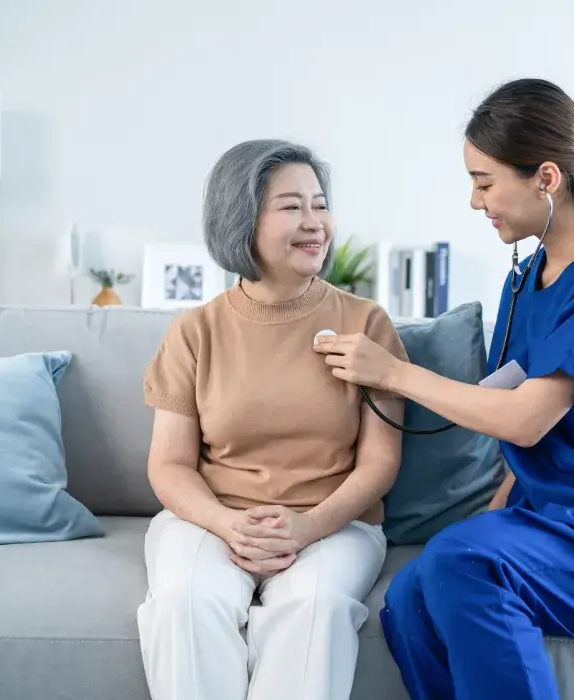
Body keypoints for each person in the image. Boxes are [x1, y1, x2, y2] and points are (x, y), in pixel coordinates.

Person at [313, 78, 574, 700]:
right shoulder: (526, 278)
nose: (475, 201)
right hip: (556, 520)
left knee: (462, 564)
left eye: (485, 182)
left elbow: (526, 419)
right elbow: (511, 406)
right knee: (410, 596)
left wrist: (392, 372)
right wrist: (500, 507)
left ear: (546, 177)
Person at [137, 139, 408, 700]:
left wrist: (309, 526)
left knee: (315, 607)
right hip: (211, 519)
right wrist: (224, 523)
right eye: (291, 206)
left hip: (333, 522)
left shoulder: (366, 323)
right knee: (187, 601)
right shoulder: (195, 331)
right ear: (243, 220)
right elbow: (168, 465)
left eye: (319, 203)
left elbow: (379, 463)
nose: (315, 223)